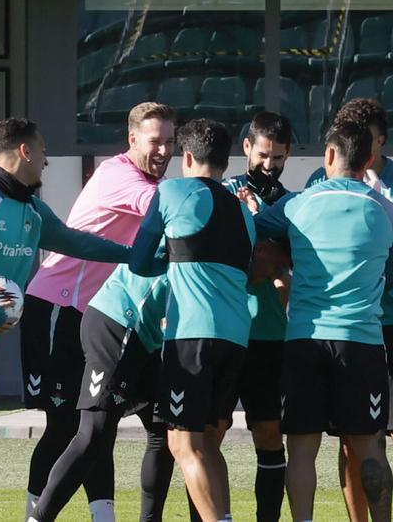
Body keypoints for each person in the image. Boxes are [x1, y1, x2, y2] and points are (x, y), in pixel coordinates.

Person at [0, 118, 132, 522]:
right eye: (44, 151)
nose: (47, 162)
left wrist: (132, 254)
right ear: (25, 151)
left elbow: (76, 241)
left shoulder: (33, 211)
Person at [22, 102, 175, 522]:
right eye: (154, 141)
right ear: (131, 141)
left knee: (98, 423)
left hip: (100, 317)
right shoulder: (118, 174)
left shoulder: (150, 181)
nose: (163, 150)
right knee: (65, 427)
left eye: (169, 142)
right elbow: (166, 208)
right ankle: (32, 515)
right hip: (58, 308)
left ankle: (103, 516)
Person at [254, 120, 393, 522]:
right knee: (370, 447)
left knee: (302, 448)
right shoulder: (386, 209)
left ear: (330, 156)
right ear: (369, 159)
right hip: (362, 341)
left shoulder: (298, 203)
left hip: (304, 339)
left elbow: (253, 230)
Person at [129, 119, 256, 522]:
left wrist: (168, 258)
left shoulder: (172, 190)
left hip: (191, 335)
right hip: (236, 337)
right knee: (208, 445)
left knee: (183, 445)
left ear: (186, 156)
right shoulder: (244, 212)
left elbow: (139, 261)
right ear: (226, 159)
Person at [305, 99, 393, 522]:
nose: (364, 153)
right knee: (348, 439)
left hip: (392, 321)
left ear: (382, 141)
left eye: (370, 141)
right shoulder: (321, 179)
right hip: (344, 328)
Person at [27, 269, 173, 522]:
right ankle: (37, 518)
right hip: (122, 322)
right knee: (93, 432)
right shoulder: (175, 231)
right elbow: (141, 258)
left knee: (163, 431)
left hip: (150, 337)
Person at [221, 112, 294, 522]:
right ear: (247, 147)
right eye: (264, 154)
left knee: (269, 436)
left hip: (269, 335)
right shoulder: (224, 192)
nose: (270, 164)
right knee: (210, 433)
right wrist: (260, 258)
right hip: (227, 332)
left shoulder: (288, 202)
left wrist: (275, 260)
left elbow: (290, 263)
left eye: (279, 157)